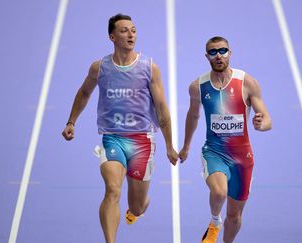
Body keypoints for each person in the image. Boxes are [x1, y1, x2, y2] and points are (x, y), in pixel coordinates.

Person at [61, 14, 178, 243]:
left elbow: (162, 107)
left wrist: (169, 145)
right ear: (112, 37)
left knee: (138, 206)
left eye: (133, 30)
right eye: (124, 31)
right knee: (113, 190)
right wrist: (71, 122)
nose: (131, 34)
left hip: (142, 140)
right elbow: (84, 93)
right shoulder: (100, 68)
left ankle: (136, 211)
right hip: (112, 137)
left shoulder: (149, 67)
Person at [179, 36, 272, 243]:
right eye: (213, 52)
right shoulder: (198, 86)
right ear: (207, 57)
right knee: (219, 192)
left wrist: (260, 124)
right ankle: (214, 221)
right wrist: (186, 147)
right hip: (214, 152)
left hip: (242, 158)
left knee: (235, 216)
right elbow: (193, 116)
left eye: (223, 50)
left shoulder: (247, 82)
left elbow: (267, 120)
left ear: (230, 52)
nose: (218, 55)